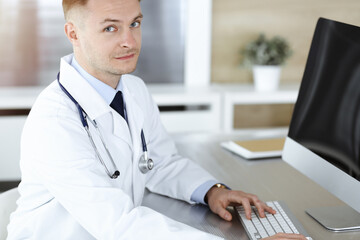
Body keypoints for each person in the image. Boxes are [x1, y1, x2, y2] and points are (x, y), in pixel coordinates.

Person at [7, 0, 307, 239]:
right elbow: (117, 223)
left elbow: (159, 162)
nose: (129, 41)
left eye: (134, 24)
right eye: (111, 29)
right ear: (73, 33)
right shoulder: (55, 122)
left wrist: (212, 191)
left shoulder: (133, 89)